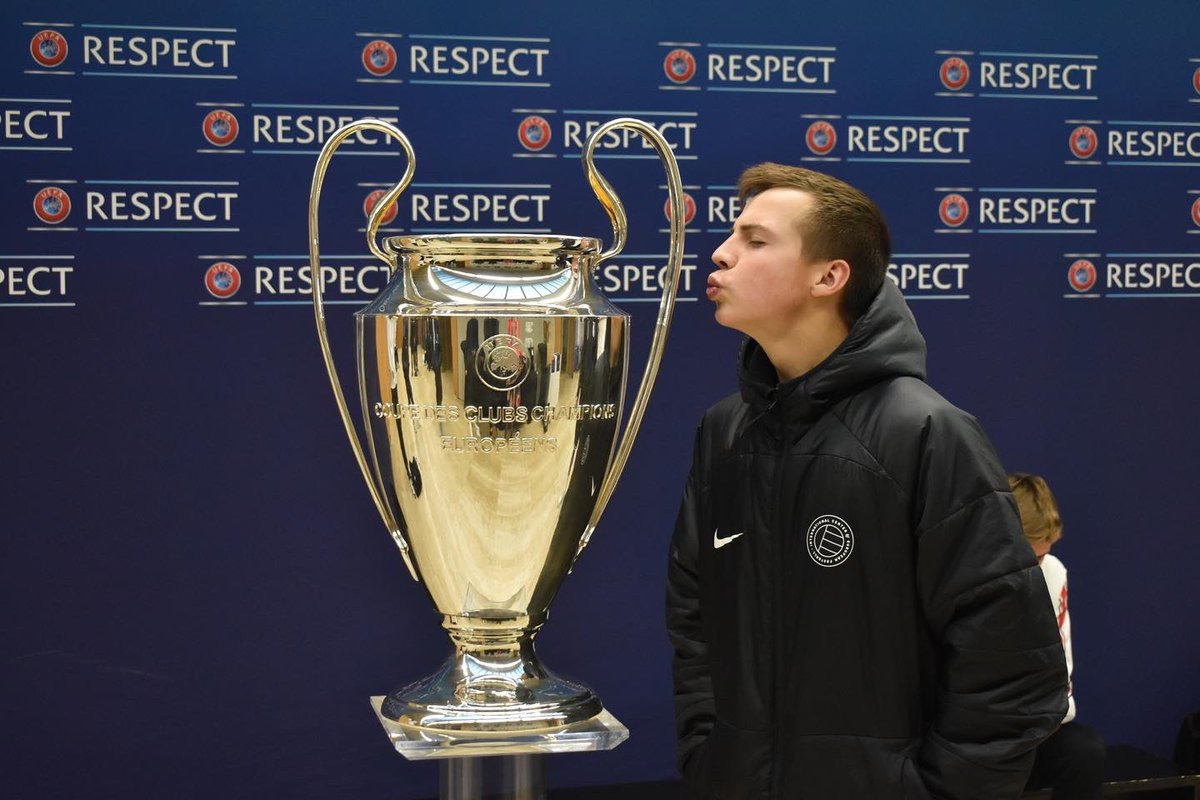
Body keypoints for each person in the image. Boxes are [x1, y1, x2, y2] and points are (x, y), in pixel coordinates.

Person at [666, 163, 1069, 799]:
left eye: (755, 239)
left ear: (829, 276)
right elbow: (694, 618)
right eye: (731, 235)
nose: (721, 251)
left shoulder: (928, 432)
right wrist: (710, 752)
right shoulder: (725, 431)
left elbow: (1014, 671)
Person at [1009, 473, 1106, 799]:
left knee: (1085, 749)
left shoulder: (1054, 571)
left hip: (1035, 727)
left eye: (1044, 555)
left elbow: (1059, 669)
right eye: (1031, 557)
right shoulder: (964, 575)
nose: (1040, 565)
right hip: (980, 734)